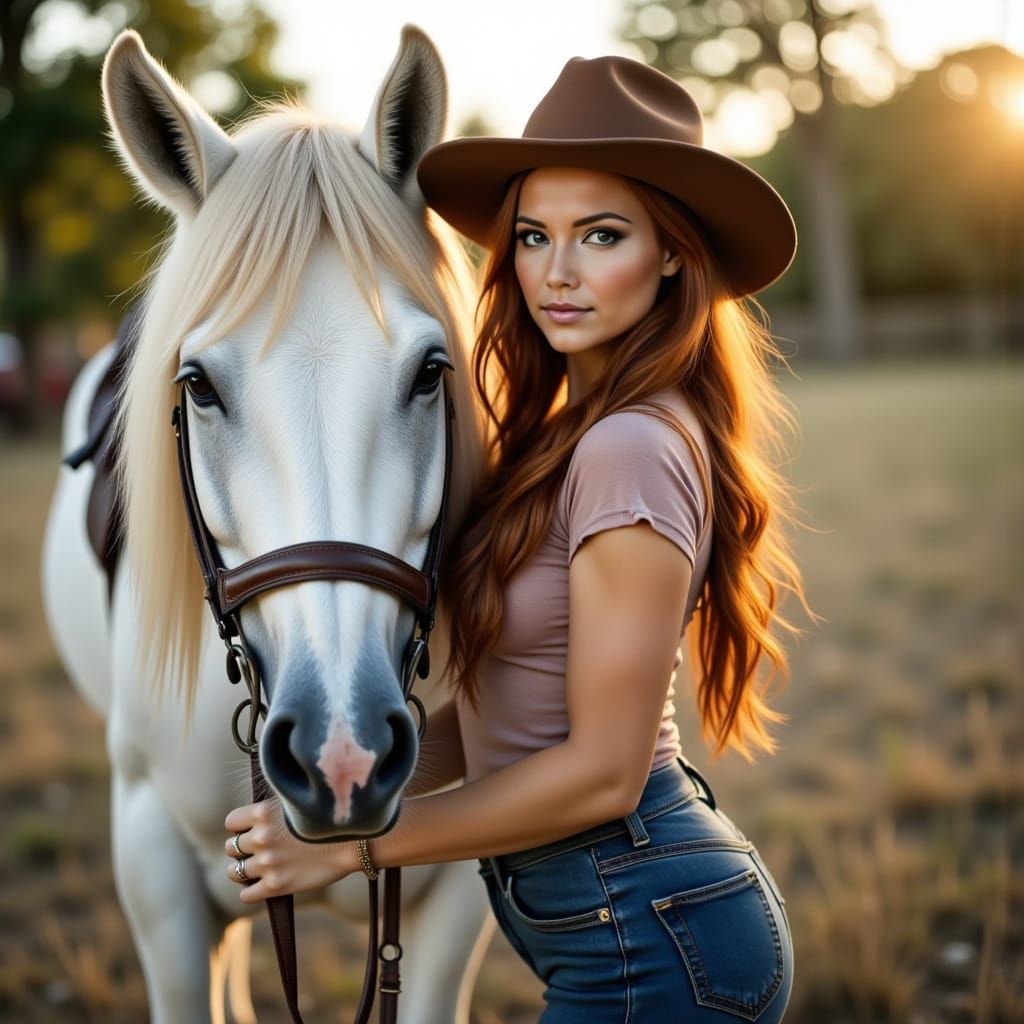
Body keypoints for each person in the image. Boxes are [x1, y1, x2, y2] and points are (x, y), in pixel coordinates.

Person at [224, 54, 814, 1022]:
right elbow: (517, 715)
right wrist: (361, 767)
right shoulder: (569, 437)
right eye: (535, 235)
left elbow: (603, 768)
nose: (557, 271)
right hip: (635, 928)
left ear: (671, 253)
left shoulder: (629, 446)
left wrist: (356, 849)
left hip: (657, 945)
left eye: (602, 235)